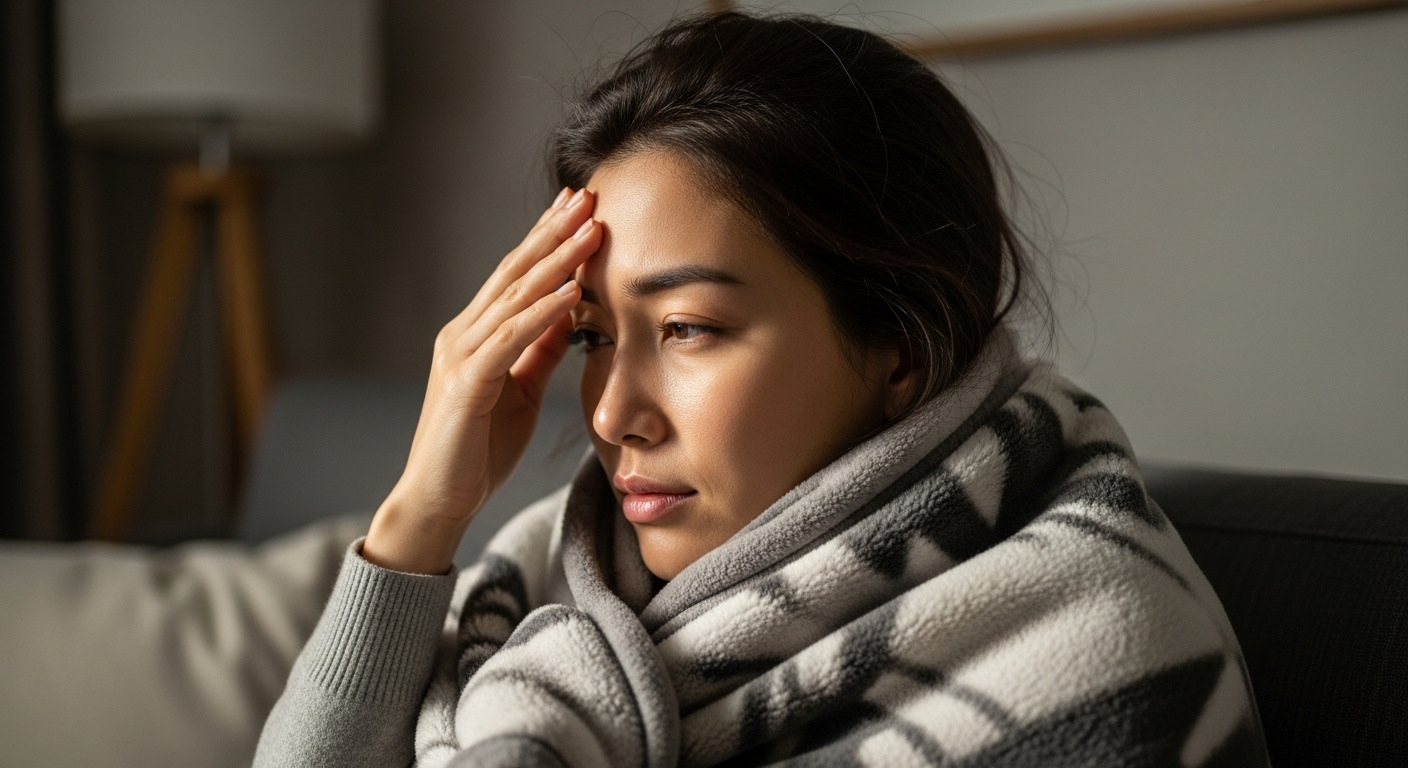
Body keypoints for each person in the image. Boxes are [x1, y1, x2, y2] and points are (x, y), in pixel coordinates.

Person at [255, 11, 1268, 768]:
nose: (608, 413)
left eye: (689, 328)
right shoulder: (539, 584)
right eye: (594, 336)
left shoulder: (1094, 642)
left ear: (898, 345)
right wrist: (419, 520)